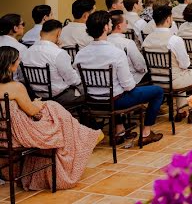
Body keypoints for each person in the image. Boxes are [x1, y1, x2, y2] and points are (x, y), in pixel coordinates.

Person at [0, 46, 102, 190]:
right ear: (9, 64)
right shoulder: (15, 87)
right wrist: (37, 104)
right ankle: (84, 135)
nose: (19, 62)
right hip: (19, 134)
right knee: (55, 110)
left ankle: (84, 133)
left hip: (3, 134)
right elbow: (31, 111)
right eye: (17, 60)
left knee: (53, 109)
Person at [74, 10, 164, 145]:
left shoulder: (81, 53)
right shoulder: (116, 53)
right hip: (116, 101)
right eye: (109, 23)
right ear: (106, 27)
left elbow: (78, 80)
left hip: (92, 101)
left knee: (117, 90)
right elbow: (128, 86)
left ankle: (120, 129)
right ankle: (146, 132)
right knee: (158, 91)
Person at [142, 5, 192, 112]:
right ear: (168, 19)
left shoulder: (147, 40)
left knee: (182, 72)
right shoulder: (174, 40)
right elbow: (185, 64)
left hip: (155, 81)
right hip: (174, 80)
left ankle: (182, 110)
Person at [21, 20, 82, 104]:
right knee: (85, 91)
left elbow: (22, 78)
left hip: (36, 96)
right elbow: (73, 80)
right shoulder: (58, 53)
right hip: (59, 97)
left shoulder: (26, 52)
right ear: (59, 33)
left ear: (40, 33)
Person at [107, 11, 148, 85]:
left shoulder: (105, 41)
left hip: (112, 80)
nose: (127, 24)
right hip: (131, 79)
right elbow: (140, 65)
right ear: (119, 26)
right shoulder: (128, 43)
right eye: (126, 22)